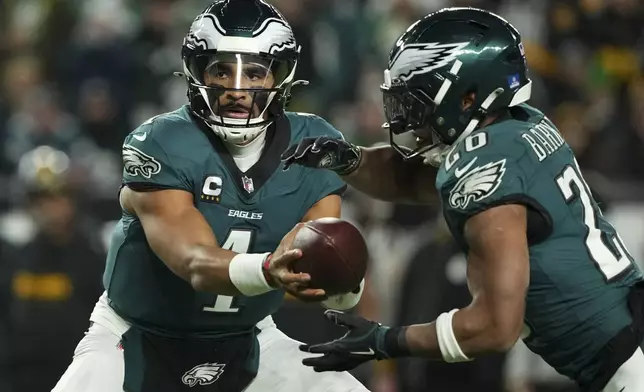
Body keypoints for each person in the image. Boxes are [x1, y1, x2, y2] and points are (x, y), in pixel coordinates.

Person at [282, 8, 644, 392]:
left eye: (418, 96)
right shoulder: (520, 123)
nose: (407, 115)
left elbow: (494, 326)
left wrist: (384, 341)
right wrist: (346, 158)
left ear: (468, 96)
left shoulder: (483, 169)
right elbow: (416, 179)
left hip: (628, 365)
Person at [52, 1, 367, 391]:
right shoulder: (162, 141)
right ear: (196, 72)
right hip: (136, 336)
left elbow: (319, 271)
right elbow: (194, 262)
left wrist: (343, 283)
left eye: (254, 73)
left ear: (280, 79)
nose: (237, 90)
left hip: (249, 338)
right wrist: (269, 269)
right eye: (221, 71)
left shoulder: (313, 145)